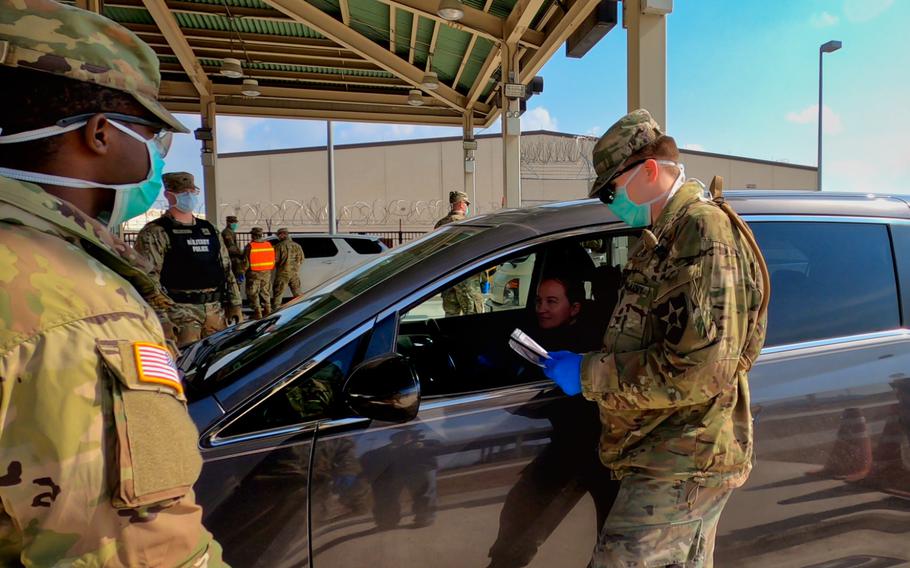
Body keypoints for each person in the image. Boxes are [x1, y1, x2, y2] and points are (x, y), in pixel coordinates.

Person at [0, 1, 225, 565]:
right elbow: (132, 551)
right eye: (151, 135)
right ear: (99, 134)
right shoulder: (70, 300)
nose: (154, 158)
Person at [542, 109, 768, 567]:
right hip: (666, 451)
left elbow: (703, 369)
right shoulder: (664, 239)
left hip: (683, 457)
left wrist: (589, 374)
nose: (609, 203)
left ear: (648, 170)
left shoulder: (703, 233)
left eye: (611, 190)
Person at [487, 275, 614, 568]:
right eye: (539, 301)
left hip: (588, 450)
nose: (542, 308)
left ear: (575, 308)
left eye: (552, 301)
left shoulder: (587, 345)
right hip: (565, 446)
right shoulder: (540, 336)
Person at [135, 172, 243, 348]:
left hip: (215, 312)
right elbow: (147, 279)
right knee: (184, 366)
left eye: (193, 192)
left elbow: (225, 268)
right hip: (179, 314)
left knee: (217, 363)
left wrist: (235, 303)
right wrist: (162, 318)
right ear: (169, 195)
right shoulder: (156, 232)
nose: (190, 196)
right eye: (184, 193)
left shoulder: (209, 229)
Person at [435, 190, 484, 316]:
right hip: (466, 277)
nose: (467, 207)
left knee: (451, 315)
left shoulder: (440, 225)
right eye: (467, 204)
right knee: (473, 314)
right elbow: (477, 249)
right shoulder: (467, 224)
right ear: (462, 204)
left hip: (447, 277)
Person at [243, 226, 275, 318]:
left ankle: (258, 313)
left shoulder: (250, 246)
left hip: (253, 274)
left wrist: (241, 271)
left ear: (253, 236)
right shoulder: (268, 245)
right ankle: (268, 310)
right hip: (266, 273)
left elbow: (245, 263)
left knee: (253, 293)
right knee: (265, 291)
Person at [271, 227, 305, 311]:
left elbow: (275, 260)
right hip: (294, 273)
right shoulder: (297, 246)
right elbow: (302, 259)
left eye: (279, 235)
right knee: (297, 294)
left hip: (282, 273)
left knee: (278, 295)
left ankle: (275, 312)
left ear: (282, 235)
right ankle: (302, 309)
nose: (278, 237)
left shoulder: (279, 246)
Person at [222, 214, 246, 283]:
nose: (235, 224)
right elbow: (231, 247)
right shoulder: (227, 232)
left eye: (235, 223)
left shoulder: (231, 232)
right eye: (233, 223)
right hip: (232, 258)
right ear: (228, 223)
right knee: (234, 281)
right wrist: (241, 253)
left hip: (234, 258)